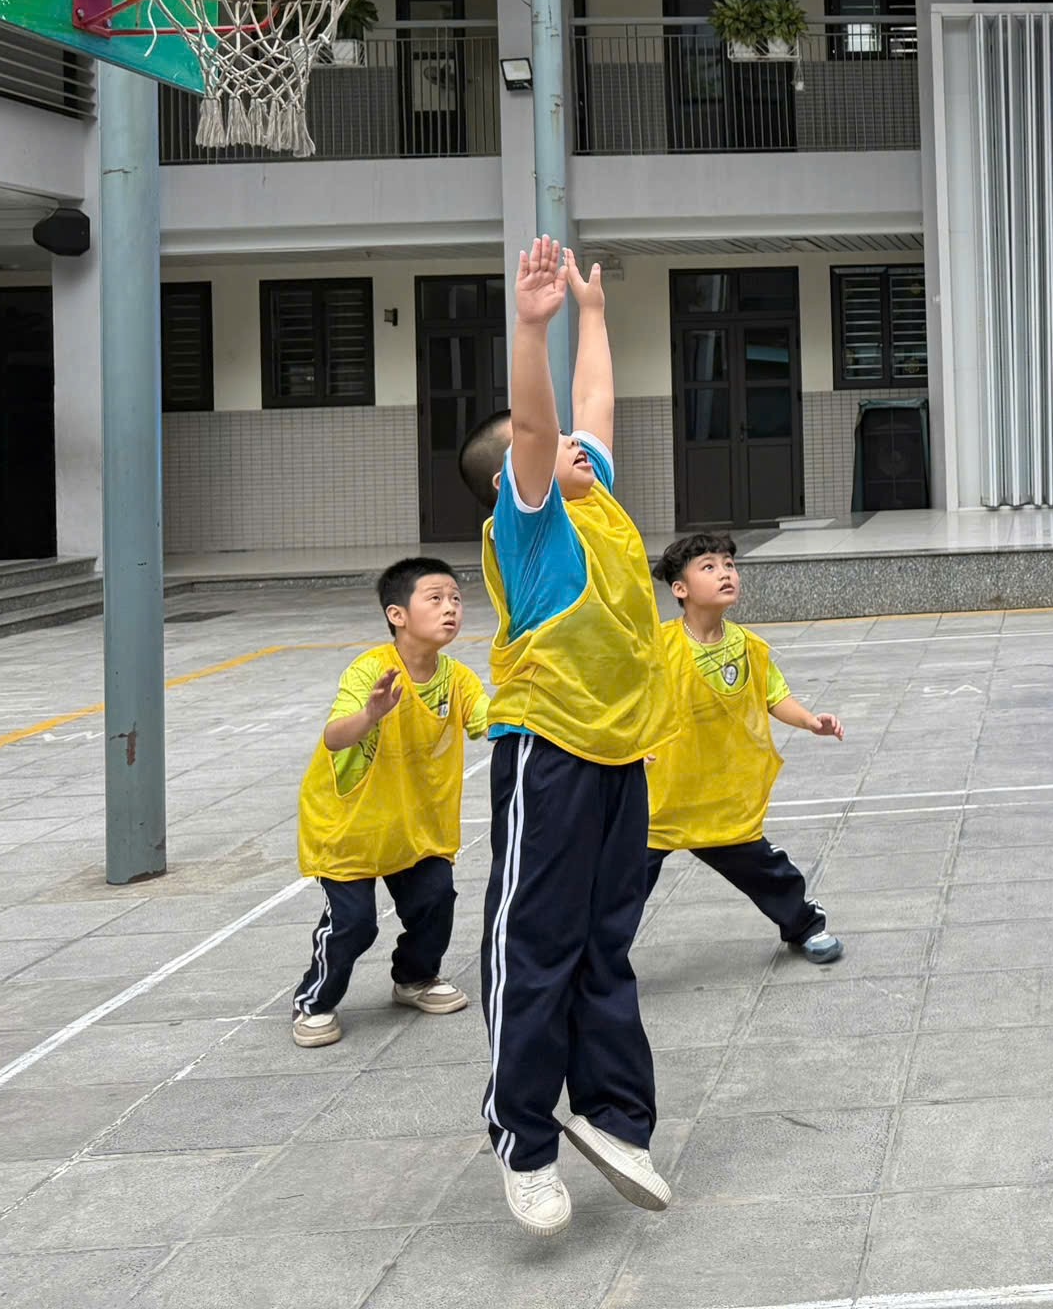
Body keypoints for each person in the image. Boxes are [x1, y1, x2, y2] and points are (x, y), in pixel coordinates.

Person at [465, 235, 686, 1236]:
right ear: (524, 471)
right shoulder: (532, 518)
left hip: (617, 753)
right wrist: (533, 327)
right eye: (554, 449)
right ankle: (524, 1140)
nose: (576, 448)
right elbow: (546, 420)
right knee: (538, 943)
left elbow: (589, 409)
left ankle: (615, 1116)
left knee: (608, 943)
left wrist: (595, 318)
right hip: (546, 751)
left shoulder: (594, 493)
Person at [291, 558, 490, 1047]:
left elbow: (494, 722)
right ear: (397, 615)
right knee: (353, 925)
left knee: (435, 900)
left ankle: (415, 979)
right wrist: (371, 713)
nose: (451, 609)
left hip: (413, 825)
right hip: (352, 826)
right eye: (436, 598)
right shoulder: (371, 670)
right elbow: (336, 737)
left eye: (456, 599)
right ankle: (314, 1002)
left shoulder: (458, 679)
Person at [647, 532, 848, 955]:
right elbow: (630, 701)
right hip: (660, 800)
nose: (725, 574)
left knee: (766, 870)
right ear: (680, 590)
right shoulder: (656, 646)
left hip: (721, 796)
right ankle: (596, 965)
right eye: (709, 567)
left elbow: (774, 696)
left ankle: (804, 925)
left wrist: (811, 721)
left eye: (729, 565)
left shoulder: (749, 647)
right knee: (619, 891)